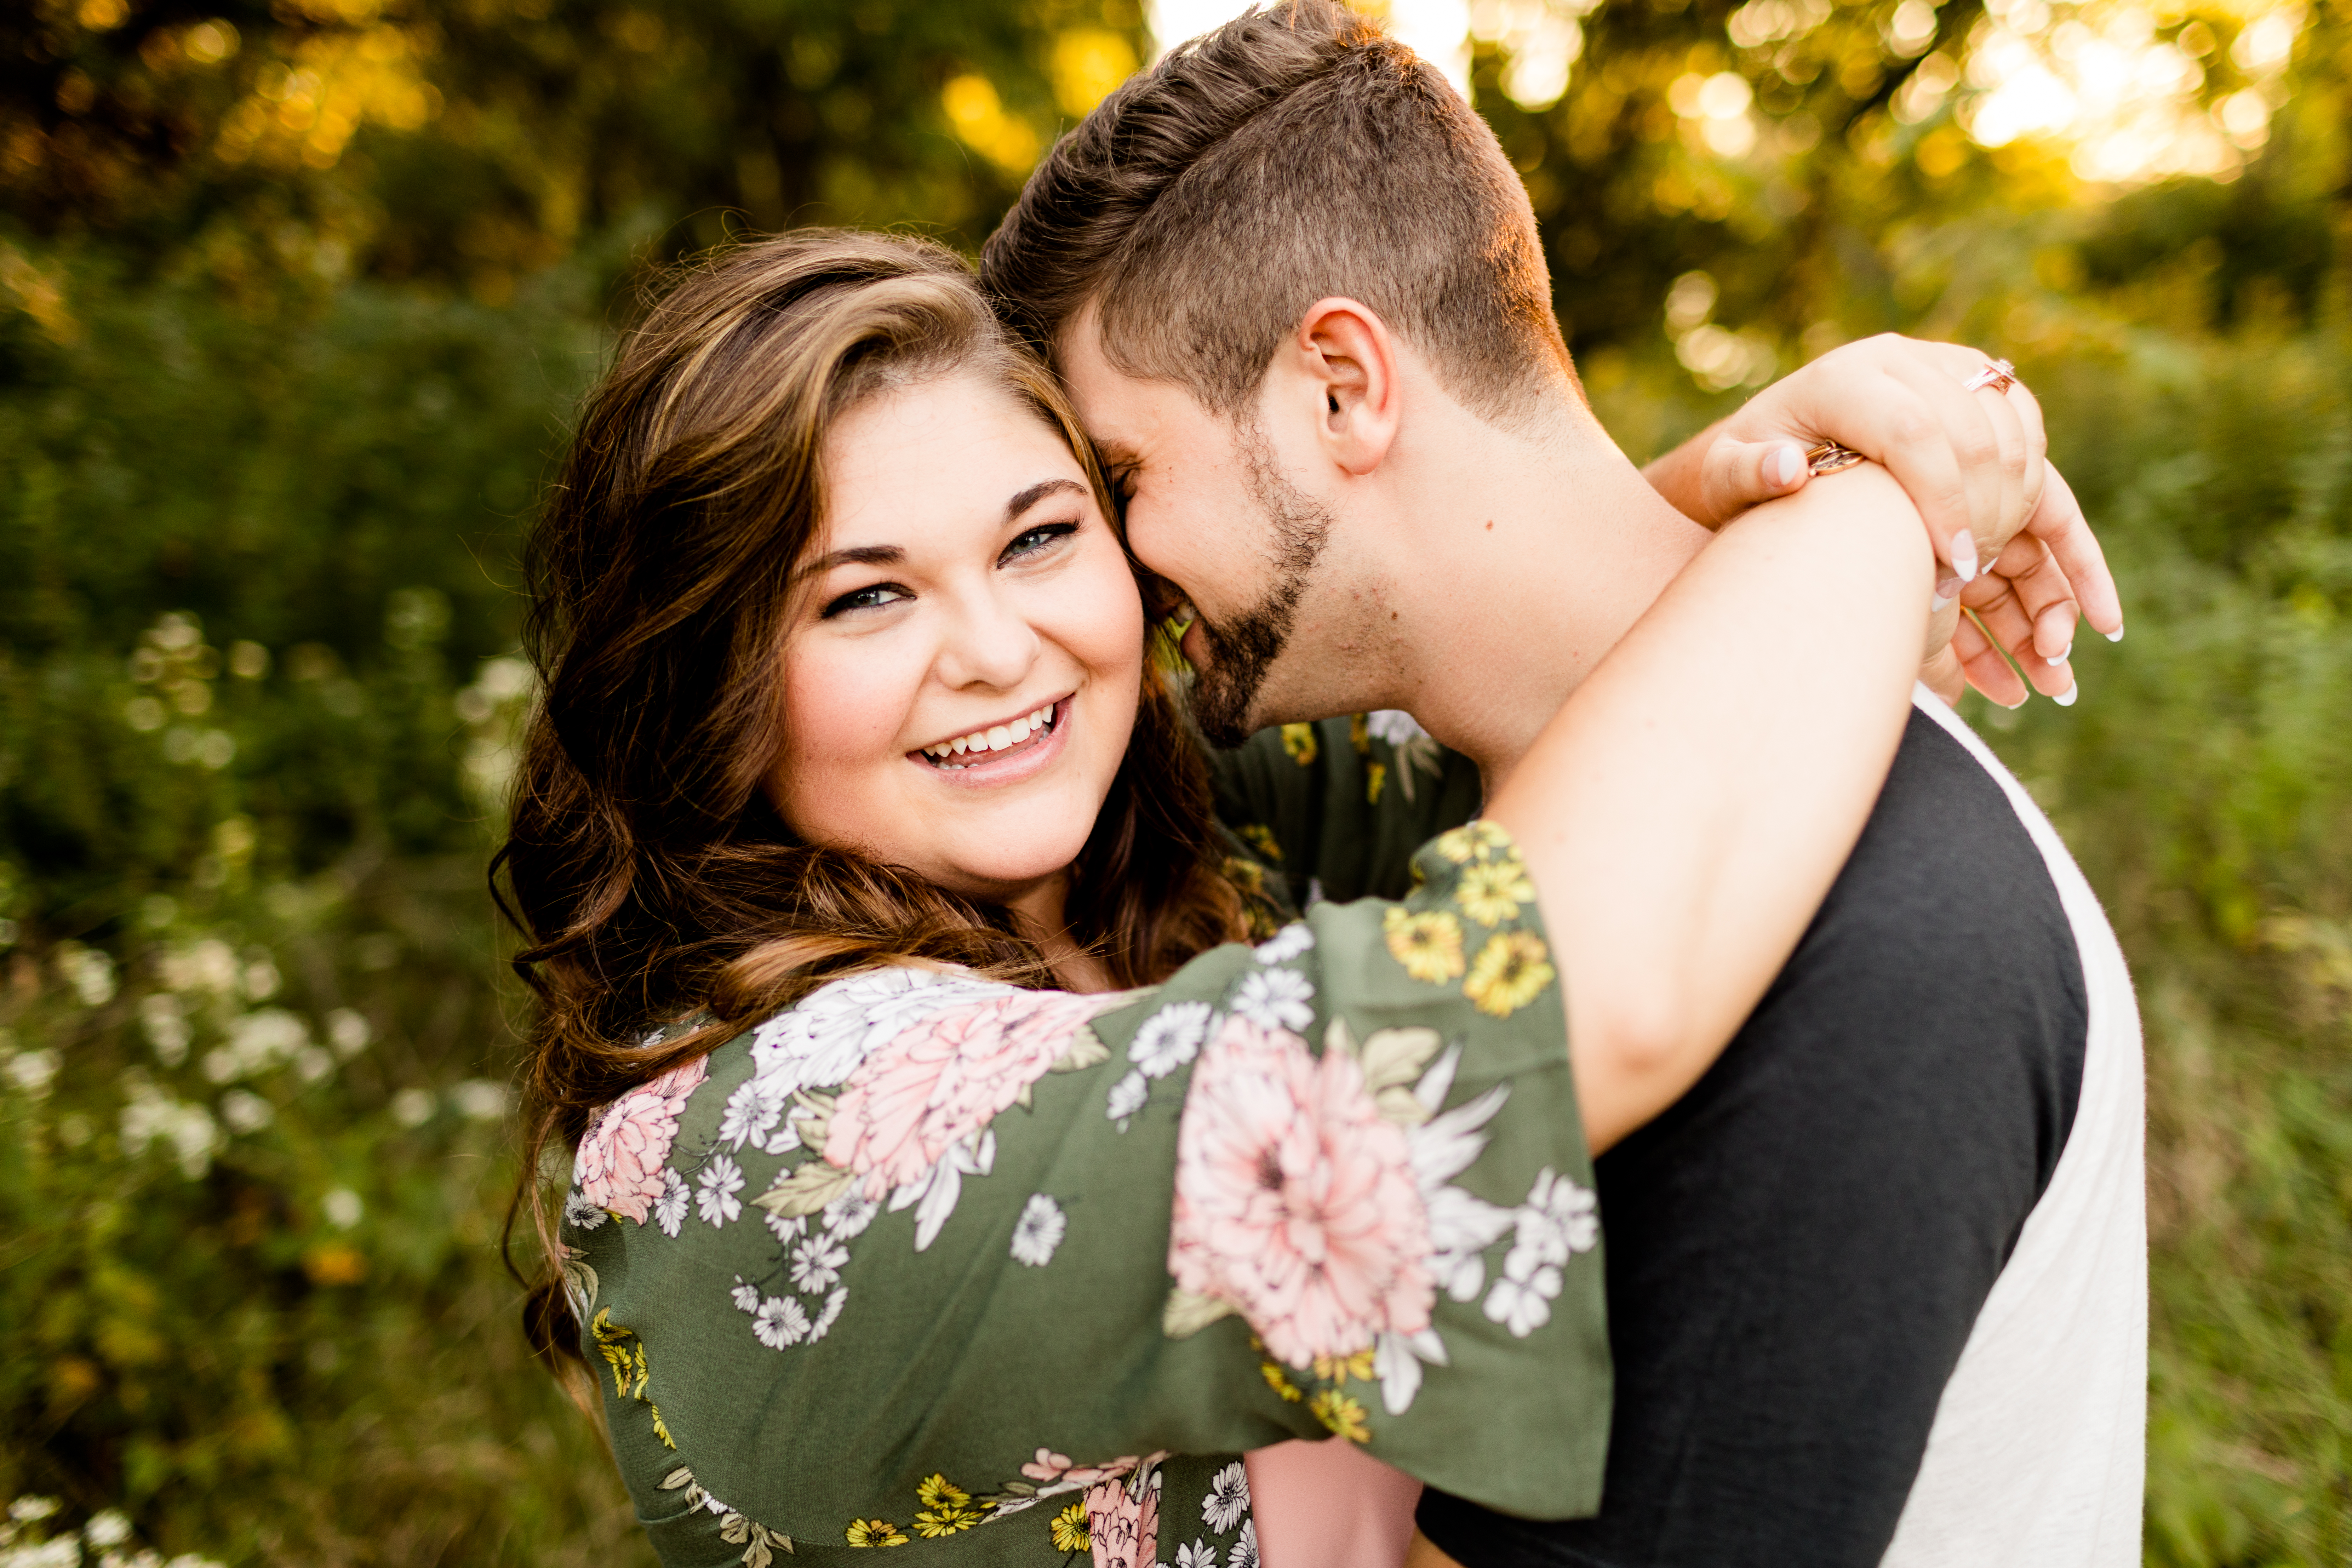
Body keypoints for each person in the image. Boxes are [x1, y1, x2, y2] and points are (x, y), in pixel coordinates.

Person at [501, 222, 2019, 1568]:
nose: (995, 648)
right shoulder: (767, 1142)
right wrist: (1885, 508)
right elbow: (1534, 1009)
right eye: (867, 595)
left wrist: (1735, 478)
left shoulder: (1179, 847)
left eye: (1040, 537)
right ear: (709, 679)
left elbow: (1561, 686)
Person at [978, 4, 2146, 1564]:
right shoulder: (1481, 799)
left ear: (1340, 387)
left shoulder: (1862, 922)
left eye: (1125, 484)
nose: (1120, 571)